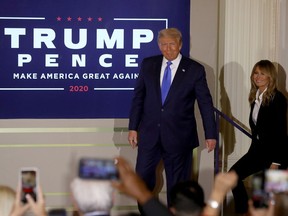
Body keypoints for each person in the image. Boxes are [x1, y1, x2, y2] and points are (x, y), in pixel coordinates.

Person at [128, 27, 217, 206]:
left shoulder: (194, 70)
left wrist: (211, 134)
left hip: (179, 137)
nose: (167, 48)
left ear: (180, 45)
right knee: (142, 182)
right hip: (149, 135)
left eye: (171, 44)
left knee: (178, 187)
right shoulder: (148, 64)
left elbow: (205, 104)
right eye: (163, 45)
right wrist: (133, 127)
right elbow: (139, 97)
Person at [229, 60, 288, 215]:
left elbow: (281, 133)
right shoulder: (256, 97)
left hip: (276, 155)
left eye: (263, 73)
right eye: (256, 73)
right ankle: (242, 212)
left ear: (270, 77)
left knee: (266, 202)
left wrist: (276, 163)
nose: (258, 76)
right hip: (257, 152)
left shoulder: (278, 98)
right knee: (233, 175)